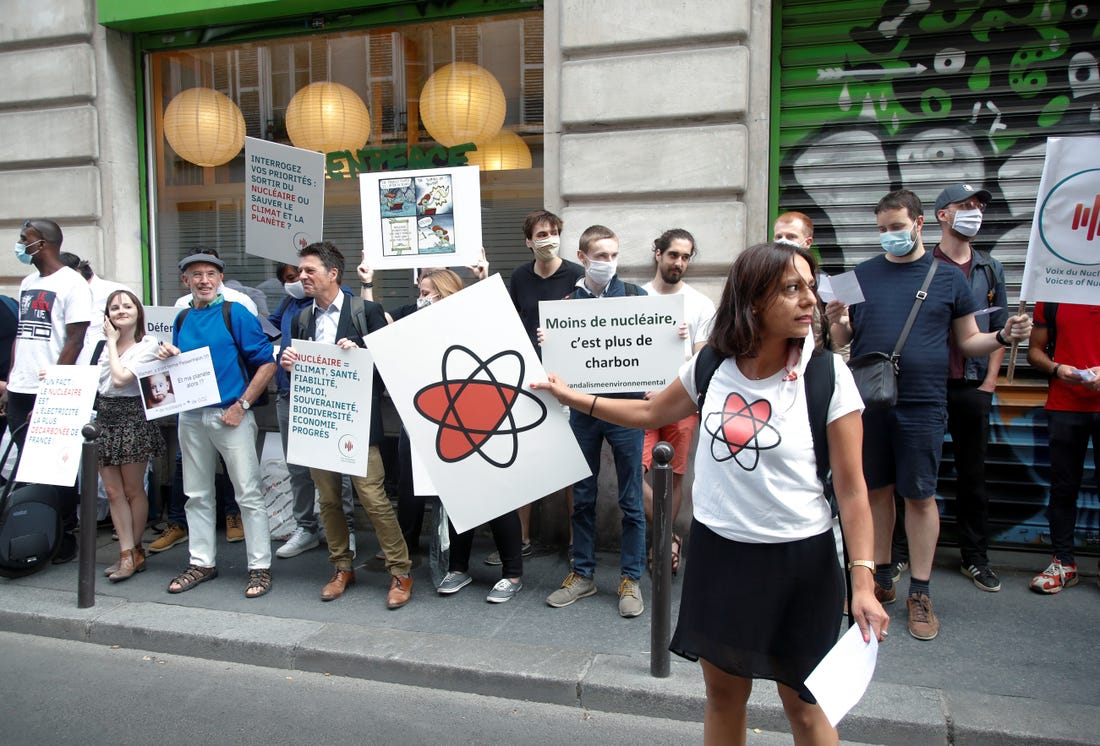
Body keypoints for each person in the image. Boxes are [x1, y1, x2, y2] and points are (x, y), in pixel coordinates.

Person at [534, 241, 889, 744]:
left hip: (800, 565)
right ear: (753, 300)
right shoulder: (712, 366)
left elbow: (853, 492)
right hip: (720, 558)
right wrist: (572, 396)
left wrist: (863, 583)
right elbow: (649, 412)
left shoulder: (828, 377)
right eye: (792, 288)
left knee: (807, 710)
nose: (810, 299)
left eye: (809, 286)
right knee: (723, 697)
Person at [826, 189, 1031, 641]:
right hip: (869, 402)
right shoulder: (859, 276)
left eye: (897, 227)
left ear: (920, 223)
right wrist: (836, 318)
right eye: (882, 229)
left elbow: (969, 342)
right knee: (875, 491)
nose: (889, 235)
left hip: (924, 403)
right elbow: (842, 340)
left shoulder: (948, 278)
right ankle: (880, 578)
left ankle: (920, 591)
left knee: (919, 495)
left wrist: (1003, 337)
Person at [279, 242, 413, 608]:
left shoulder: (365, 311)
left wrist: (360, 355)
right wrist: (288, 362)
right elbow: (296, 368)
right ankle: (341, 567)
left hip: (357, 423)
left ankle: (400, 571)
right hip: (318, 422)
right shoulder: (301, 318)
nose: (302, 277)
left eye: (309, 271)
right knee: (329, 501)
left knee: (373, 498)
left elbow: (389, 363)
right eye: (301, 271)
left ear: (333, 273)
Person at [156, 252, 276, 598]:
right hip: (191, 416)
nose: (204, 280)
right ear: (186, 281)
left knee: (248, 494)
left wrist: (242, 405)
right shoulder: (182, 318)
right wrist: (167, 356)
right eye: (196, 275)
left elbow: (266, 363)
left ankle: (259, 567)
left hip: (230, 415)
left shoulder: (235, 313)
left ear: (220, 279)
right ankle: (201, 562)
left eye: (211, 274)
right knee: (196, 494)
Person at [543, 225, 648, 618]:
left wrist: (673, 337)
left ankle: (631, 579)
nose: (609, 262)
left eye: (613, 255)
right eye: (601, 256)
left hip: (627, 410)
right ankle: (582, 574)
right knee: (582, 497)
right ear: (582, 257)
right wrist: (549, 343)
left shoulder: (636, 297)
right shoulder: (567, 304)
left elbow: (652, 348)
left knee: (631, 500)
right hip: (584, 412)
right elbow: (559, 363)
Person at [931, 183, 1008, 592]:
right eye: (965, 205)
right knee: (916, 471)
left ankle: (975, 557)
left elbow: (998, 329)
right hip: (927, 386)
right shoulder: (923, 264)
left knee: (973, 476)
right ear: (942, 215)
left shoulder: (989, 268)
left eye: (978, 205)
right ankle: (902, 551)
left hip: (972, 385)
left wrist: (989, 383)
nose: (975, 211)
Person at [498, 209, 585, 562]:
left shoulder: (577, 275)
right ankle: (520, 540)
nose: (548, 239)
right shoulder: (520, 276)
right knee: (525, 460)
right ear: (529, 241)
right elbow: (511, 321)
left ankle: (576, 543)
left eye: (553, 233)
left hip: (568, 382)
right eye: (541, 234)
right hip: (530, 379)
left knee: (573, 465)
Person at [3, 219, 92, 564]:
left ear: (42, 244)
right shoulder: (28, 282)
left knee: (58, 465)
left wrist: (52, 390)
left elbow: (75, 340)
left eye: (23, 239)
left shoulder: (73, 284)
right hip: (20, 386)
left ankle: (65, 533)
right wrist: (12, 378)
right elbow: (22, 335)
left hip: (52, 389)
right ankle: (38, 529)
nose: (19, 244)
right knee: (29, 466)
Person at [640, 229, 714, 576]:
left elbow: (703, 359)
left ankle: (659, 546)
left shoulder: (700, 303)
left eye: (686, 257)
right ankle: (667, 537)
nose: (679, 263)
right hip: (641, 402)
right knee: (633, 473)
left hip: (681, 402)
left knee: (674, 477)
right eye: (673, 255)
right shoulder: (636, 297)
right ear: (658, 253)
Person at [1026, 303, 1100, 593]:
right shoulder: (1054, 293)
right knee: (1063, 488)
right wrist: (1057, 368)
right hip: (1065, 405)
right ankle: (1064, 563)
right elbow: (1034, 351)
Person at [95, 290, 167, 582]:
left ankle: (135, 550)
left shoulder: (147, 344)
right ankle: (126, 551)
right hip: (104, 418)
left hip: (132, 416)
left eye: (127, 306)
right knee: (113, 491)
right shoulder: (101, 346)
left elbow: (120, 378)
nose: (121, 311)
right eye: (114, 308)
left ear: (138, 311)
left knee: (133, 489)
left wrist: (112, 343)